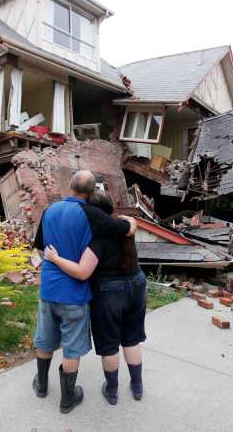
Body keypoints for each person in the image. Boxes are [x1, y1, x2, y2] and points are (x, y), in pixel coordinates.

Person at [32, 171, 136, 413]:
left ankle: (41, 385)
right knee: (71, 347)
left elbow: (39, 248)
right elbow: (124, 229)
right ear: (91, 192)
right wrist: (131, 222)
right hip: (74, 293)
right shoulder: (92, 214)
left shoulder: (49, 211)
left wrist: (50, 268)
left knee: (45, 339)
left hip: (48, 288)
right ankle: (68, 398)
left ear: (70, 185)